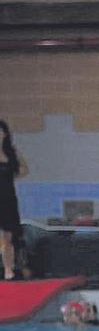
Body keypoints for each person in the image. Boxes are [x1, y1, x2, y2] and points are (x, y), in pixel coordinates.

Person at [0, 121, 25, 282]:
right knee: (1, 237)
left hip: (8, 198)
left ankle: (9, 270)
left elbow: (23, 169)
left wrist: (10, 178)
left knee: (8, 238)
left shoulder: (11, 152)